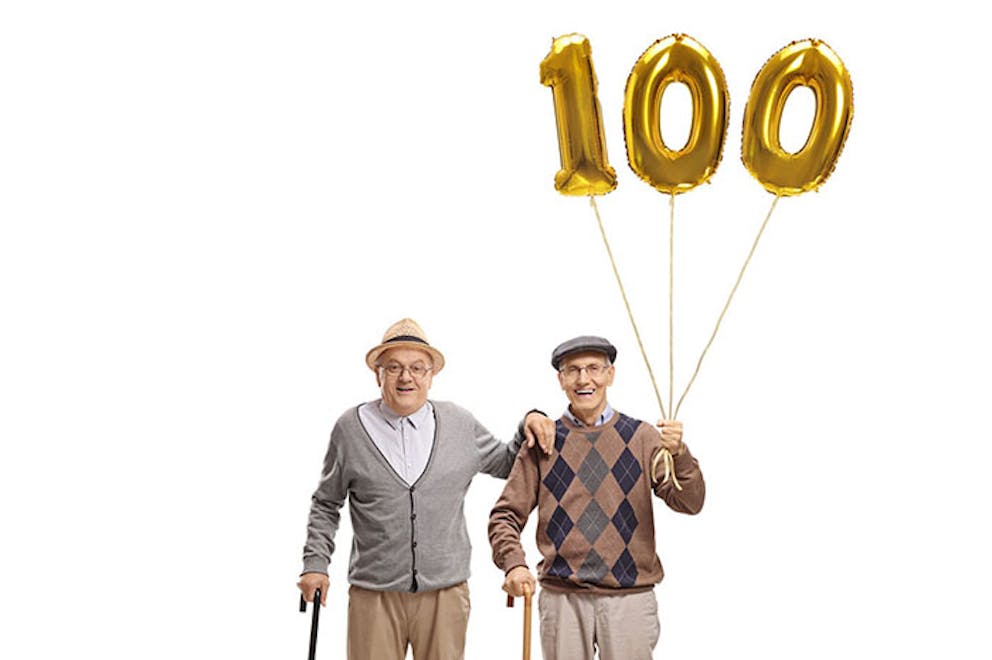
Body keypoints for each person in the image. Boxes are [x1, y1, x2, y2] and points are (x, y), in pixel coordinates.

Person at [297, 318, 554, 660]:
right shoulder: (349, 429)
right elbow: (326, 503)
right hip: (373, 594)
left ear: (431, 375)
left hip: (445, 594)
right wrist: (315, 563)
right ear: (379, 374)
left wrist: (529, 421)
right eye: (394, 367)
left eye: (417, 367)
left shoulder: (460, 424)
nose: (406, 377)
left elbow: (508, 463)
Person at [488, 335, 706, 660]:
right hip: (562, 597)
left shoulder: (642, 437)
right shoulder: (544, 441)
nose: (584, 379)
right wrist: (514, 565)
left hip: (630, 596)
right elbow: (505, 516)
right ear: (561, 380)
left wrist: (680, 455)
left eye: (593, 368)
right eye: (573, 370)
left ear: (610, 375)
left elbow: (689, 502)